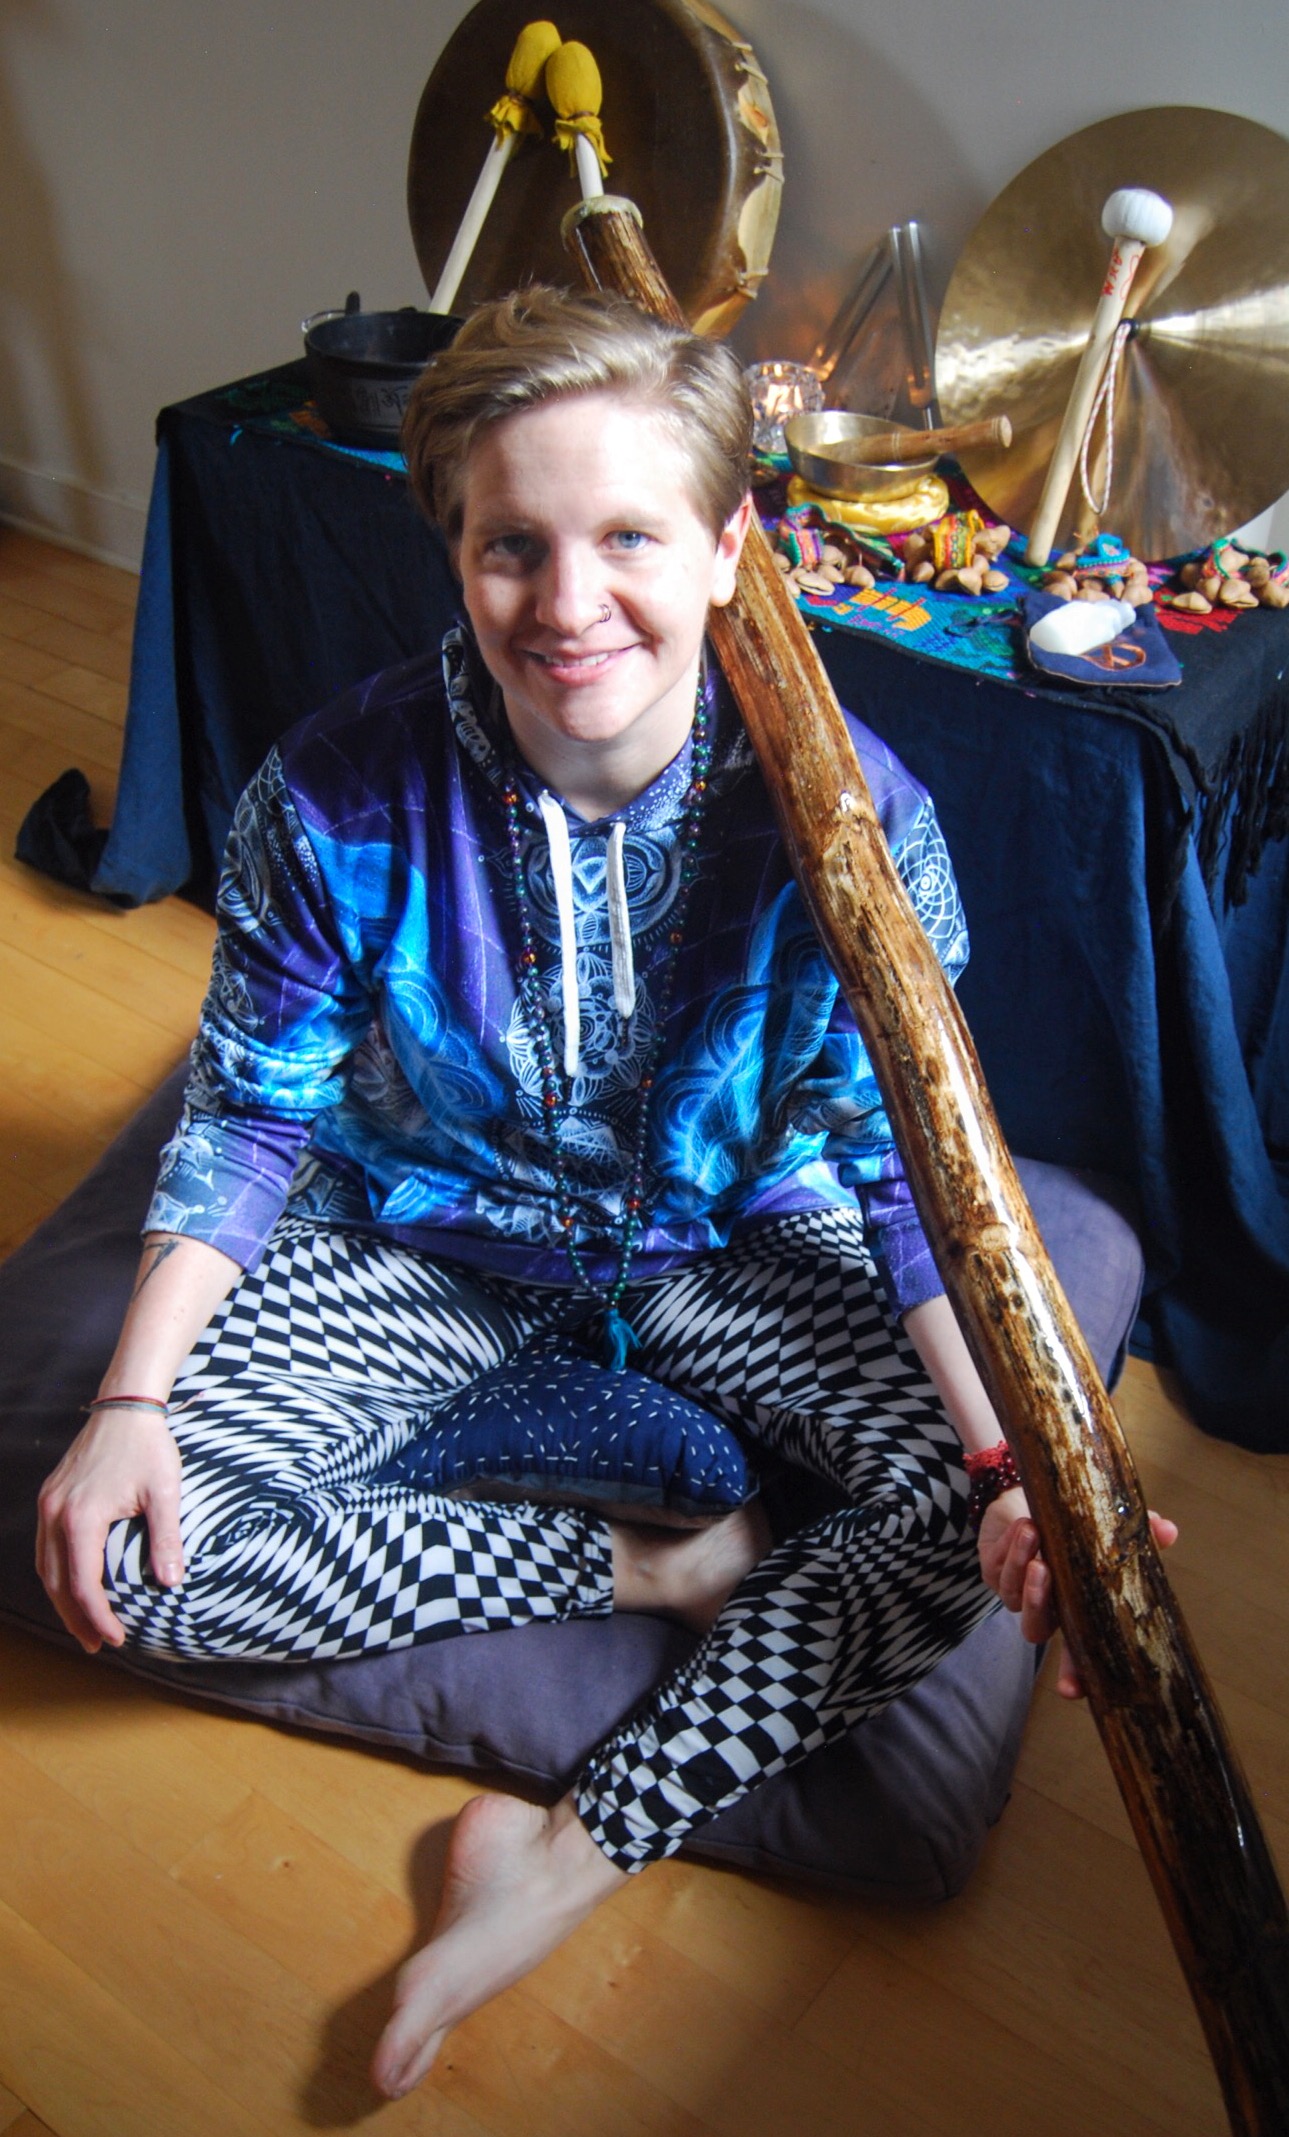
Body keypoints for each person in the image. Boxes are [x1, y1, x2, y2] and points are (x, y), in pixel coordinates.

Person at [35, 286, 1174, 2102]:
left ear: (728, 551)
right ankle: (664, 1550)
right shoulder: (332, 793)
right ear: (455, 549)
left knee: (972, 1539)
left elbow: (904, 1180)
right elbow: (245, 1114)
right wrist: (130, 1404)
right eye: (514, 545)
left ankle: (564, 1854)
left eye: (630, 536)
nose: (568, 604)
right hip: (425, 1228)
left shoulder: (858, 821)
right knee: (128, 1565)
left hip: (734, 1238)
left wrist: (1000, 1464)